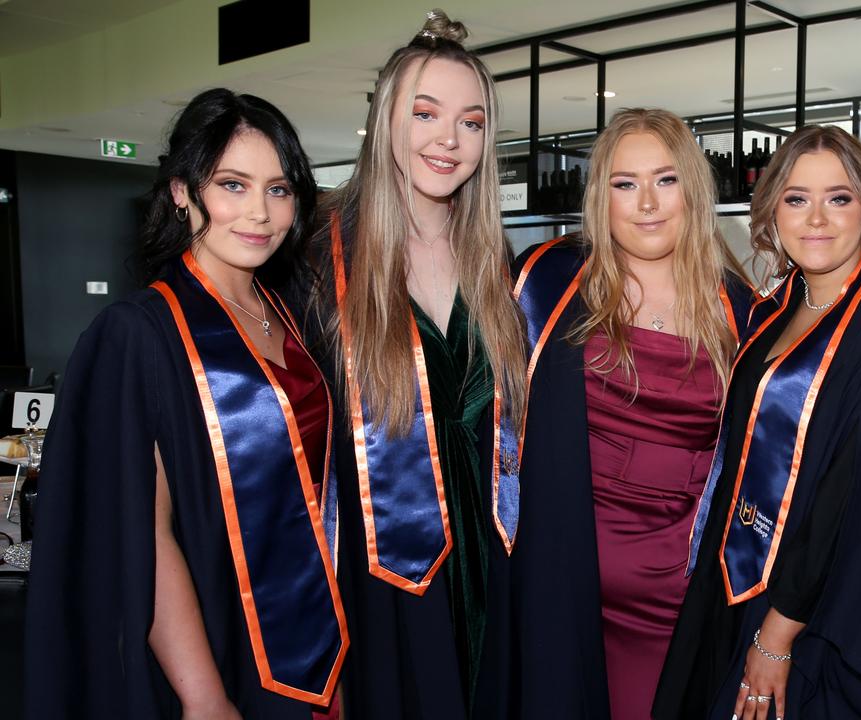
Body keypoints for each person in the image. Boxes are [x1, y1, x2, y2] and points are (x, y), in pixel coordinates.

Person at [25, 89, 345, 719]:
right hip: (216, 640)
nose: (259, 213)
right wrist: (203, 697)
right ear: (180, 191)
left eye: (279, 190)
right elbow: (142, 529)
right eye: (232, 184)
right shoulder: (139, 333)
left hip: (322, 633)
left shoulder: (292, 314)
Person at [652, 125, 861, 720]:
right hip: (736, 581)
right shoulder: (781, 303)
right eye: (796, 198)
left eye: (838, 197)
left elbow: (859, 495)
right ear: (772, 210)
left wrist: (779, 633)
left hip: (817, 616)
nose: (817, 218)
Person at [482, 108, 758, 720]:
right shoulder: (546, 284)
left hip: (679, 583)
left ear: (693, 188)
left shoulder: (741, 311)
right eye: (624, 184)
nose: (647, 204)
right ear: (600, 196)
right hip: (562, 568)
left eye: (665, 180)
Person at [297, 10, 526, 720]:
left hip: (496, 557)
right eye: (426, 112)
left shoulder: (499, 265)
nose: (448, 139)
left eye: (472, 121)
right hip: (382, 569)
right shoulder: (320, 263)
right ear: (385, 118)